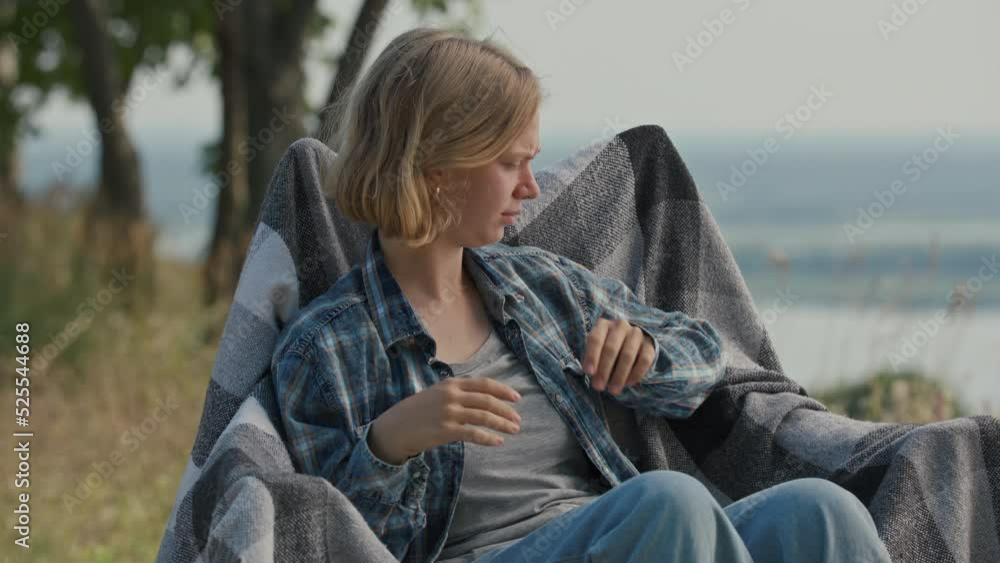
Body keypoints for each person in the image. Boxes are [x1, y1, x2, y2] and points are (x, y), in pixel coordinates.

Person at [271, 26, 893, 563]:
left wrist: (648, 353)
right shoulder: (323, 347)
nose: (531, 188)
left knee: (820, 511)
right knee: (665, 501)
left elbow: (706, 351)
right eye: (510, 164)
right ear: (438, 167)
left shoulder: (539, 285)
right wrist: (389, 443)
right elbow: (330, 546)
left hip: (615, 536)